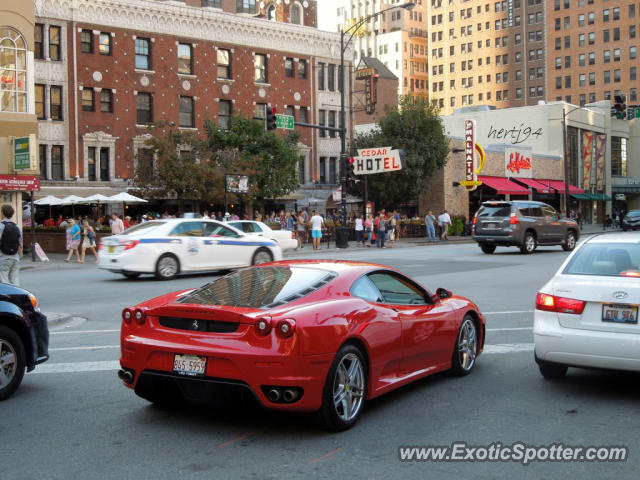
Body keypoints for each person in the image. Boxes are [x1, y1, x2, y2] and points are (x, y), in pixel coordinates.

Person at [0, 204, 23, 285]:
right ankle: (16, 297)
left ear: (2, 213)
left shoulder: (1, 226)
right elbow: (20, 244)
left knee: (4, 283)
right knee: (15, 282)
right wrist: (18, 256)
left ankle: (8, 297)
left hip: (3, 257)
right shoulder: (17, 227)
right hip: (15, 258)